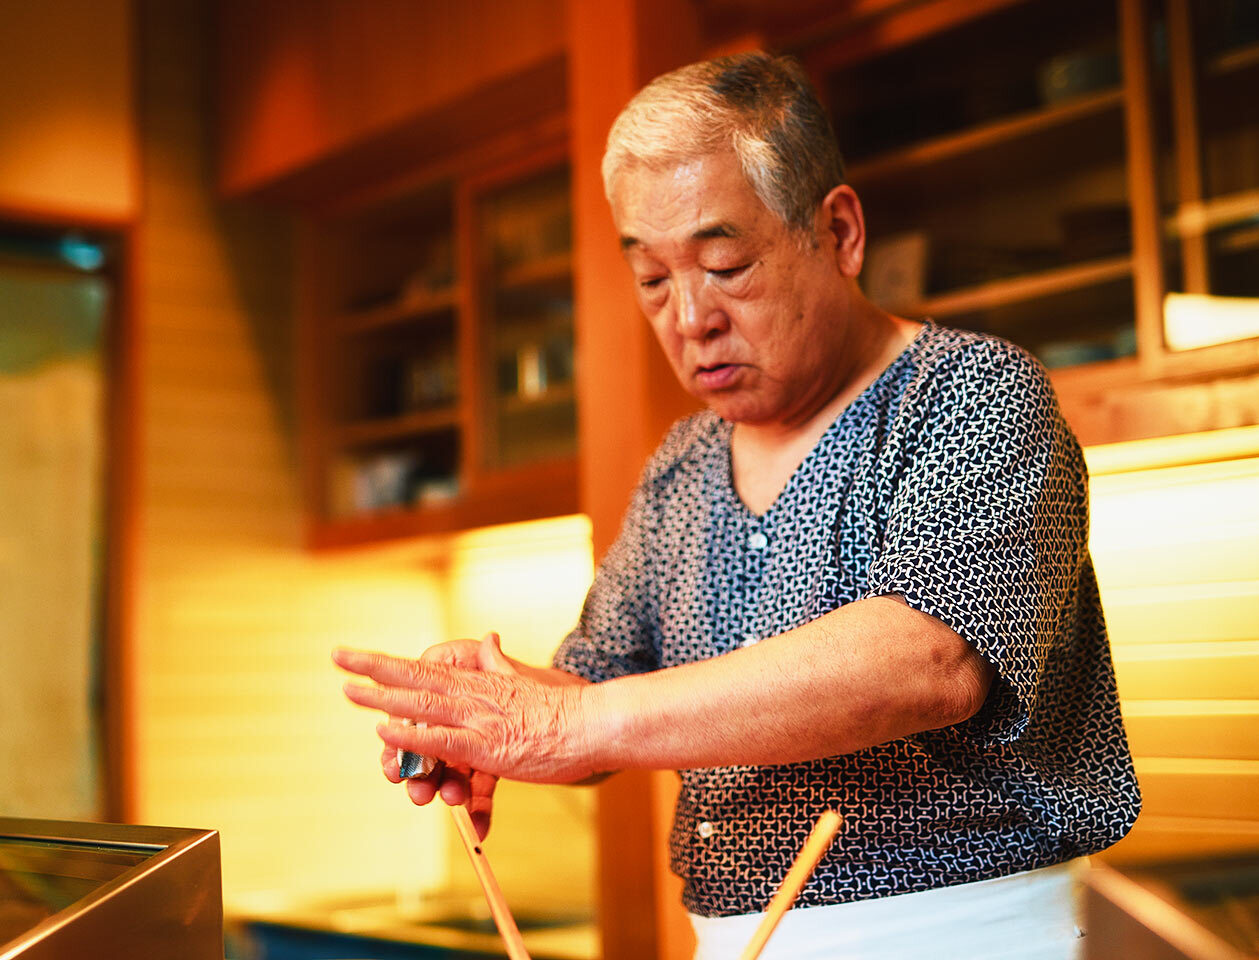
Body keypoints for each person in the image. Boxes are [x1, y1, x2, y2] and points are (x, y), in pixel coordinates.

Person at [335, 52, 1141, 959]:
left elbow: (928, 659)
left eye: (725, 263)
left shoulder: (972, 394)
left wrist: (572, 722)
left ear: (837, 233)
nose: (689, 317)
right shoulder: (681, 466)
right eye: (650, 279)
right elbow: (597, 691)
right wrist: (500, 704)